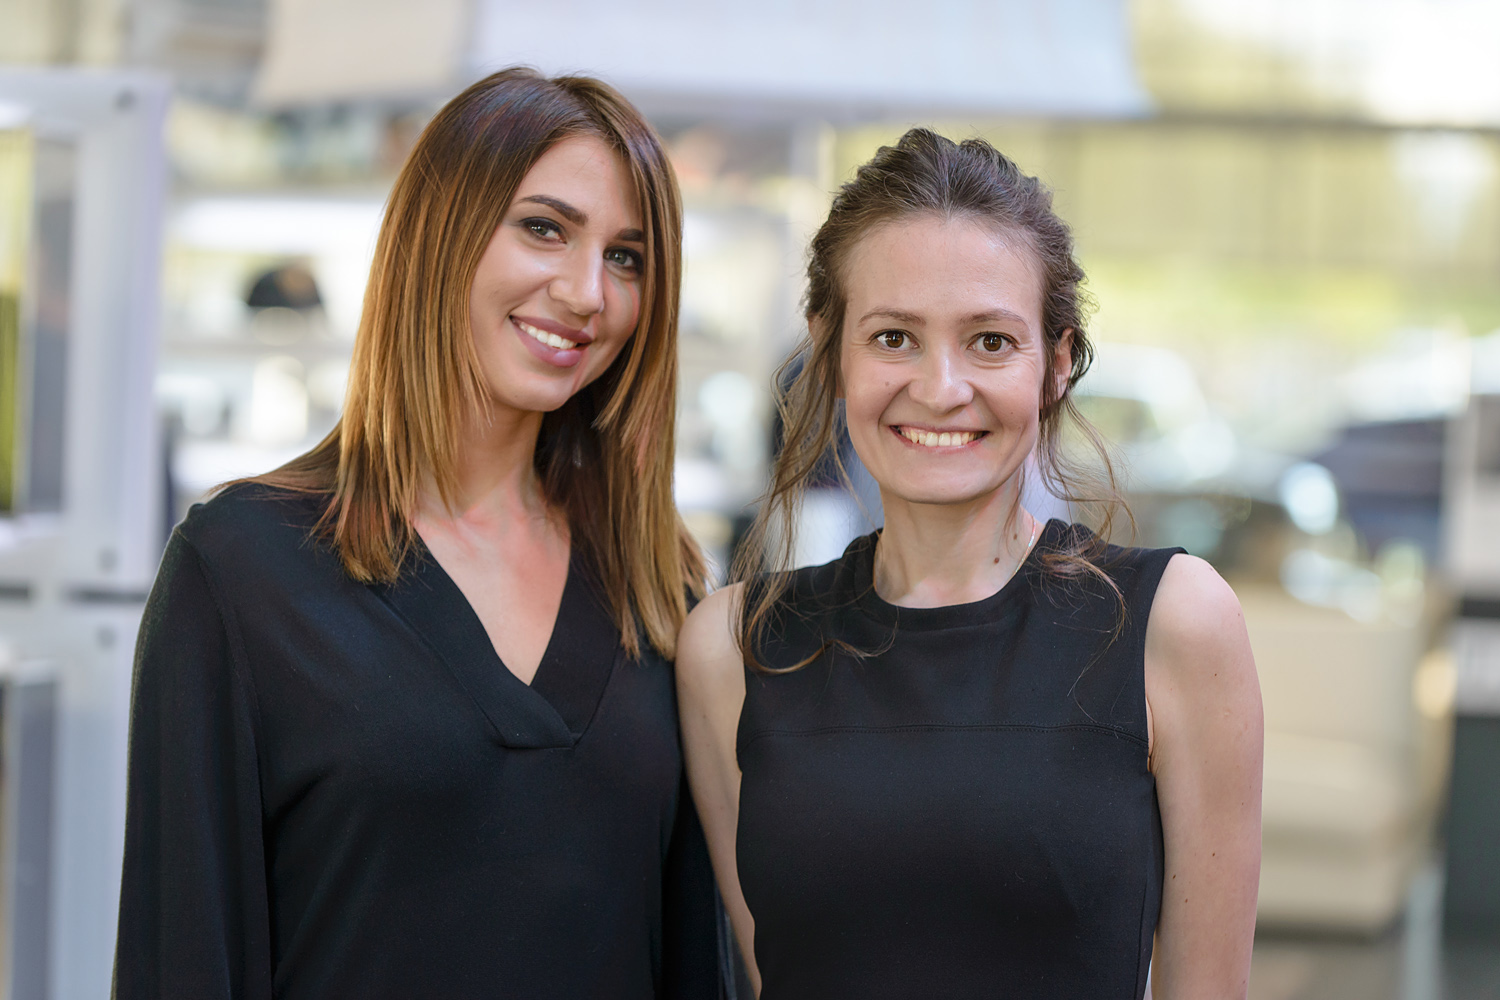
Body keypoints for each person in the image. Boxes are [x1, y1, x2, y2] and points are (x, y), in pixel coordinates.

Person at [115, 68, 721, 999]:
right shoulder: (241, 567)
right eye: (544, 228)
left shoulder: (653, 583)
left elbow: (694, 958)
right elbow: (183, 955)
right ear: (438, 233)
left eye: (628, 257)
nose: (587, 291)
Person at [677, 129, 1263, 999]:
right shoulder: (733, 648)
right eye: (893, 337)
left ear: (1056, 365)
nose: (940, 387)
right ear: (829, 353)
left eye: (989, 341)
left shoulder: (1172, 624)